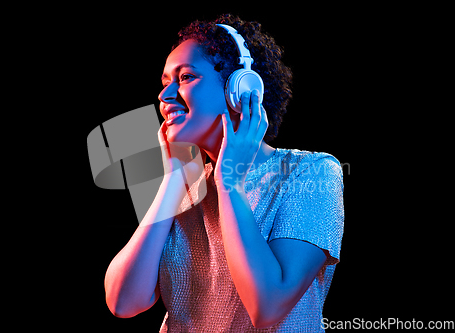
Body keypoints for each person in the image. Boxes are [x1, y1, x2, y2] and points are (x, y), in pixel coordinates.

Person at [104, 14, 344, 332]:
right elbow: (124, 302)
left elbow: (267, 306)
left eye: (186, 77)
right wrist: (173, 178)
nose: (164, 97)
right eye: (164, 83)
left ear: (241, 89)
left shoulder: (310, 173)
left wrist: (229, 181)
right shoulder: (186, 190)